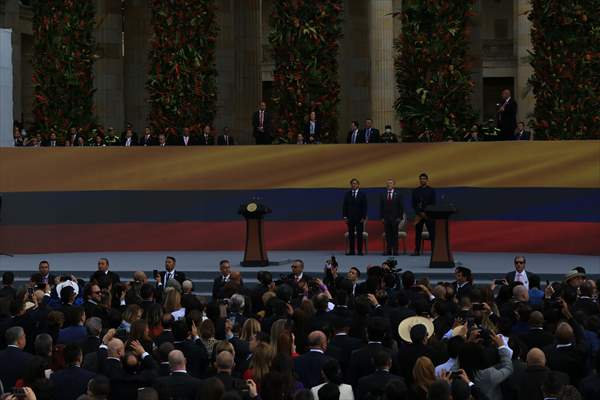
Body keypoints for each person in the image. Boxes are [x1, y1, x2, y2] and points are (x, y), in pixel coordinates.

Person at [411, 173, 435, 256]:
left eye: (424, 179)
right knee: (418, 234)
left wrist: (426, 213)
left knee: (432, 233)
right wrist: (420, 213)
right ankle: (416, 251)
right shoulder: (415, 191)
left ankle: (434, 251)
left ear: (427, 180)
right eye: (421, 179)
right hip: (419, 215)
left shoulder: (431, 191)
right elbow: (413, 204)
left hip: (429, 215)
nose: (422, 180)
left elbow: (433, 204)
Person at [342, 178, 368, 256]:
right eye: (353, 183)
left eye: (355, 183)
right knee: (351, 235)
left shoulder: (362, 194)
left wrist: (363, 217)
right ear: (351, 185)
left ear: (358, 185)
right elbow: (344, 206)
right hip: (350, 218)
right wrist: (345, 217)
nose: (354, 185)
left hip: (360, 218)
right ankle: (352, 251)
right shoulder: (347, 194)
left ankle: (359, 251)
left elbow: (365, 206)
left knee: (359, 235)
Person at [380, 178, 404, 256]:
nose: (389, 184)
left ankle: (395, 251)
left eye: (390, 183)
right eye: (388, 183)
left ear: (394, 185)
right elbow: (381, 207)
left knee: (395, 235)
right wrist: (382, 217)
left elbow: (401, 207)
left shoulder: (398, 194)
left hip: (395, 218)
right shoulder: (383, 194)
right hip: (386, 218)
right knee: (388, 235)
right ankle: (389, 251)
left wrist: (400, 217)